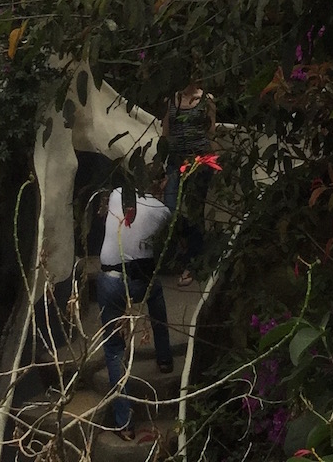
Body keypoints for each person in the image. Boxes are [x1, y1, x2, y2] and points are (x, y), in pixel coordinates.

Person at [97, 178, 175, 439]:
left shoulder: (117, 194)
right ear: (161, 186)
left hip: (110, 281)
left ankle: (124, 424)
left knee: (114, 349)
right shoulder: (163, 212)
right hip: (141, 282)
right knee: (157, 297)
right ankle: (164, 359)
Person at [162, 82, 215, 286]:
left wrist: (214, 162)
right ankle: (187, 246)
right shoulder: (172, 100)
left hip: (199, 161)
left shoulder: (206, 100)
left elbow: (211, 132)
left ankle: (191, 263)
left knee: (195, 212)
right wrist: (160, 166)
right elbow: (165, 134)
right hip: (175, 161)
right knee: (169, 209)